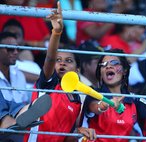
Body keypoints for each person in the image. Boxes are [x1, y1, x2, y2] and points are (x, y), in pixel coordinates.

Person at [24, 2, 96, 142]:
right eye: (58, 60)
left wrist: (81, 132)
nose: (62, 63)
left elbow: (66, 137)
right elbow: (50, 58)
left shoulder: (77, 100)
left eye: (69, 61)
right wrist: (56, 32)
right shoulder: (48, 83)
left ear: (77, 69)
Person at [0, 32, 29, 104]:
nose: (16, 52)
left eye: (17, 49)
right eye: (10, 48)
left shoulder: (20, 76)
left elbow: (24, 103)